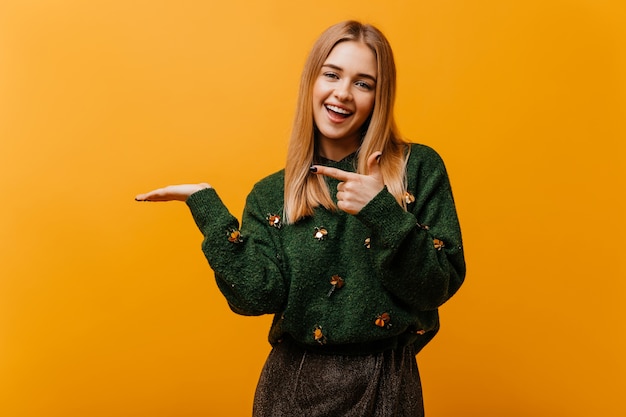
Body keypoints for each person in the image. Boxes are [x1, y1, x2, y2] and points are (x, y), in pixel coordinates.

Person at [136, 20, 465, 417]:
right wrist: (208, 209)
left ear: (381, 96)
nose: (342, 93)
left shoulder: (418, 168)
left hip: (386, 384)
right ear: (312, 80)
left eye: (364, 83)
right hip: (293, 387)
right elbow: (256, 295)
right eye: (332, 74)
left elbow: (436, 286)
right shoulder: (273, 193)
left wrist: (381, 209)